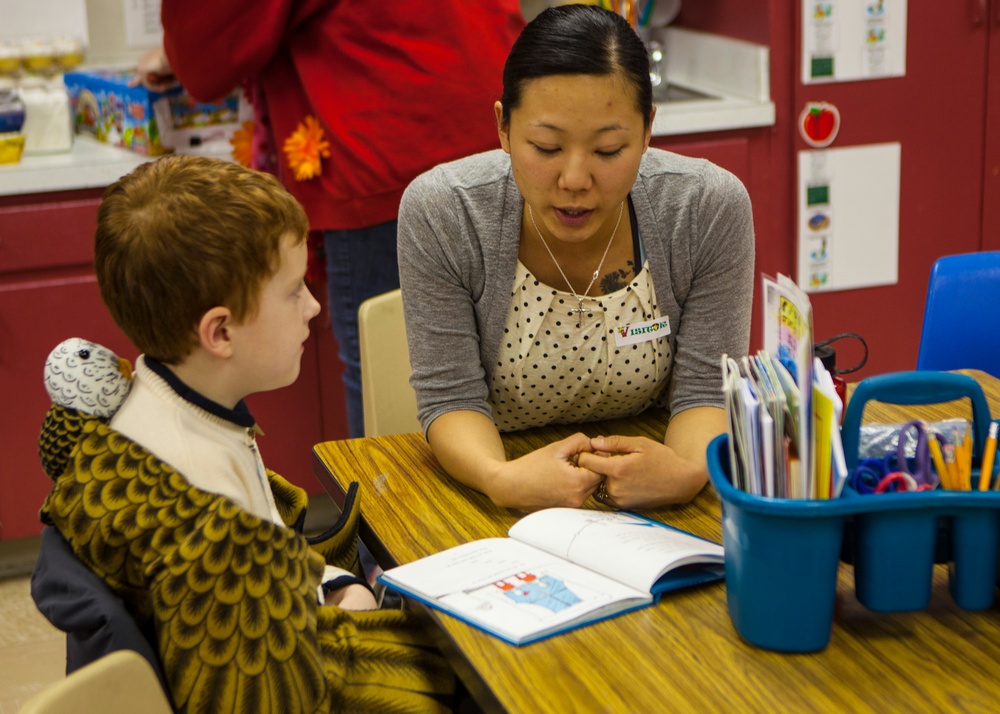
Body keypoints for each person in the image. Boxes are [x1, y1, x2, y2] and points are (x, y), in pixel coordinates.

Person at [37, 155, 455, 712]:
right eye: (292, 290)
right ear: (221, 331)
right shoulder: (205, 509)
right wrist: (349, 608)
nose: (312, 305)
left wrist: (330, 584)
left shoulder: (156, 400)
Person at [397, 4, 755, 512]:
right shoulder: (446, 211)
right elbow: (450, 397)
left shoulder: (704, 208)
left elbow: (705, 390)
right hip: (492, 483)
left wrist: (689, 470)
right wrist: (500, 478)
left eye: (608, 150)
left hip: (648, 478)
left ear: (649, 129)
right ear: (502, 127)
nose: (575, 180)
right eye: (545, 147)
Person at [137, 1, 526, 438]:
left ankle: (403, 506)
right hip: (499, 125)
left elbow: (204, 54)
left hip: (389, 149)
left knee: (397, 387)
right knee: (502, 370)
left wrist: (175, 51)